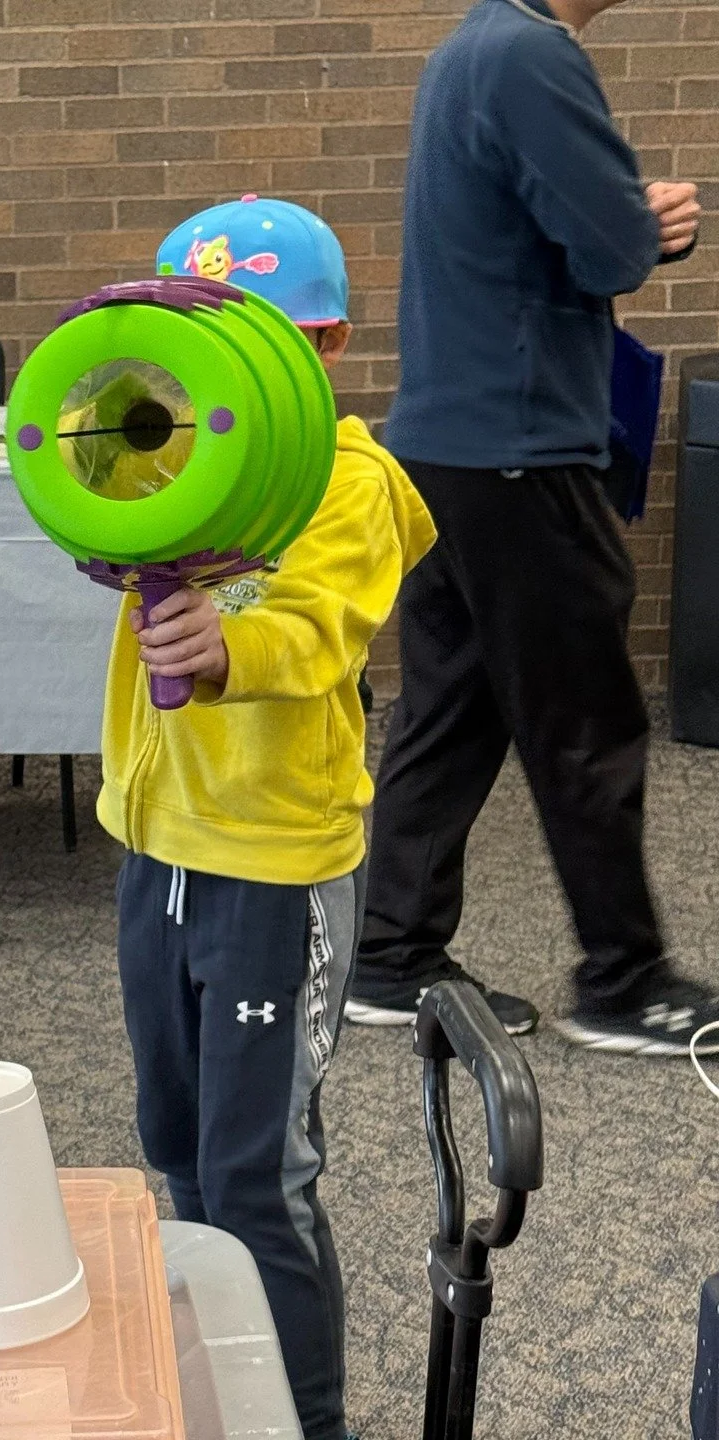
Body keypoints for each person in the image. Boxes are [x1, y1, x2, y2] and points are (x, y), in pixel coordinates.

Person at [104, 196, 436, 1440]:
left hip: (272, 864)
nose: (230, 371)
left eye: (268, 339)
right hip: (159, 846)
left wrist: (231, 645)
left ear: (330, 346)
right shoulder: (170, 459)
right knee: (175, 1145)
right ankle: (212, 1383)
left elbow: (320, 624)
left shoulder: (350, 481)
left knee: (260, 1171)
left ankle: (300, 1422)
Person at [344, 0, 713, 1054]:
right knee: (588, 721)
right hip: (518, 442)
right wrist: (657, 224)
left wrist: (620, 221)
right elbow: (607, 254)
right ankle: (627, 984)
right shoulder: (534, 53)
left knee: (455, 710)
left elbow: (538, 230)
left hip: (451, 444)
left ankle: (391, 954)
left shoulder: (473, 47)